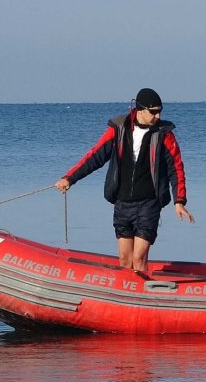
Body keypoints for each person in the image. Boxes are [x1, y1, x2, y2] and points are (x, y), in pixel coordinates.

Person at [55, 88, 194, 272]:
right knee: (124, 259)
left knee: (139, 258)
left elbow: (176, 168)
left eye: (160, 111)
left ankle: (143, 296)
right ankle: (126, 296)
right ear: (140, 109)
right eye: (153, 111)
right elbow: (95, 156)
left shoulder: (164, 134)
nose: (158, 116)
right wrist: (69, 178)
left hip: (149, 203)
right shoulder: (118, 128)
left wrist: (179, 201)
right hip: (122, 203)